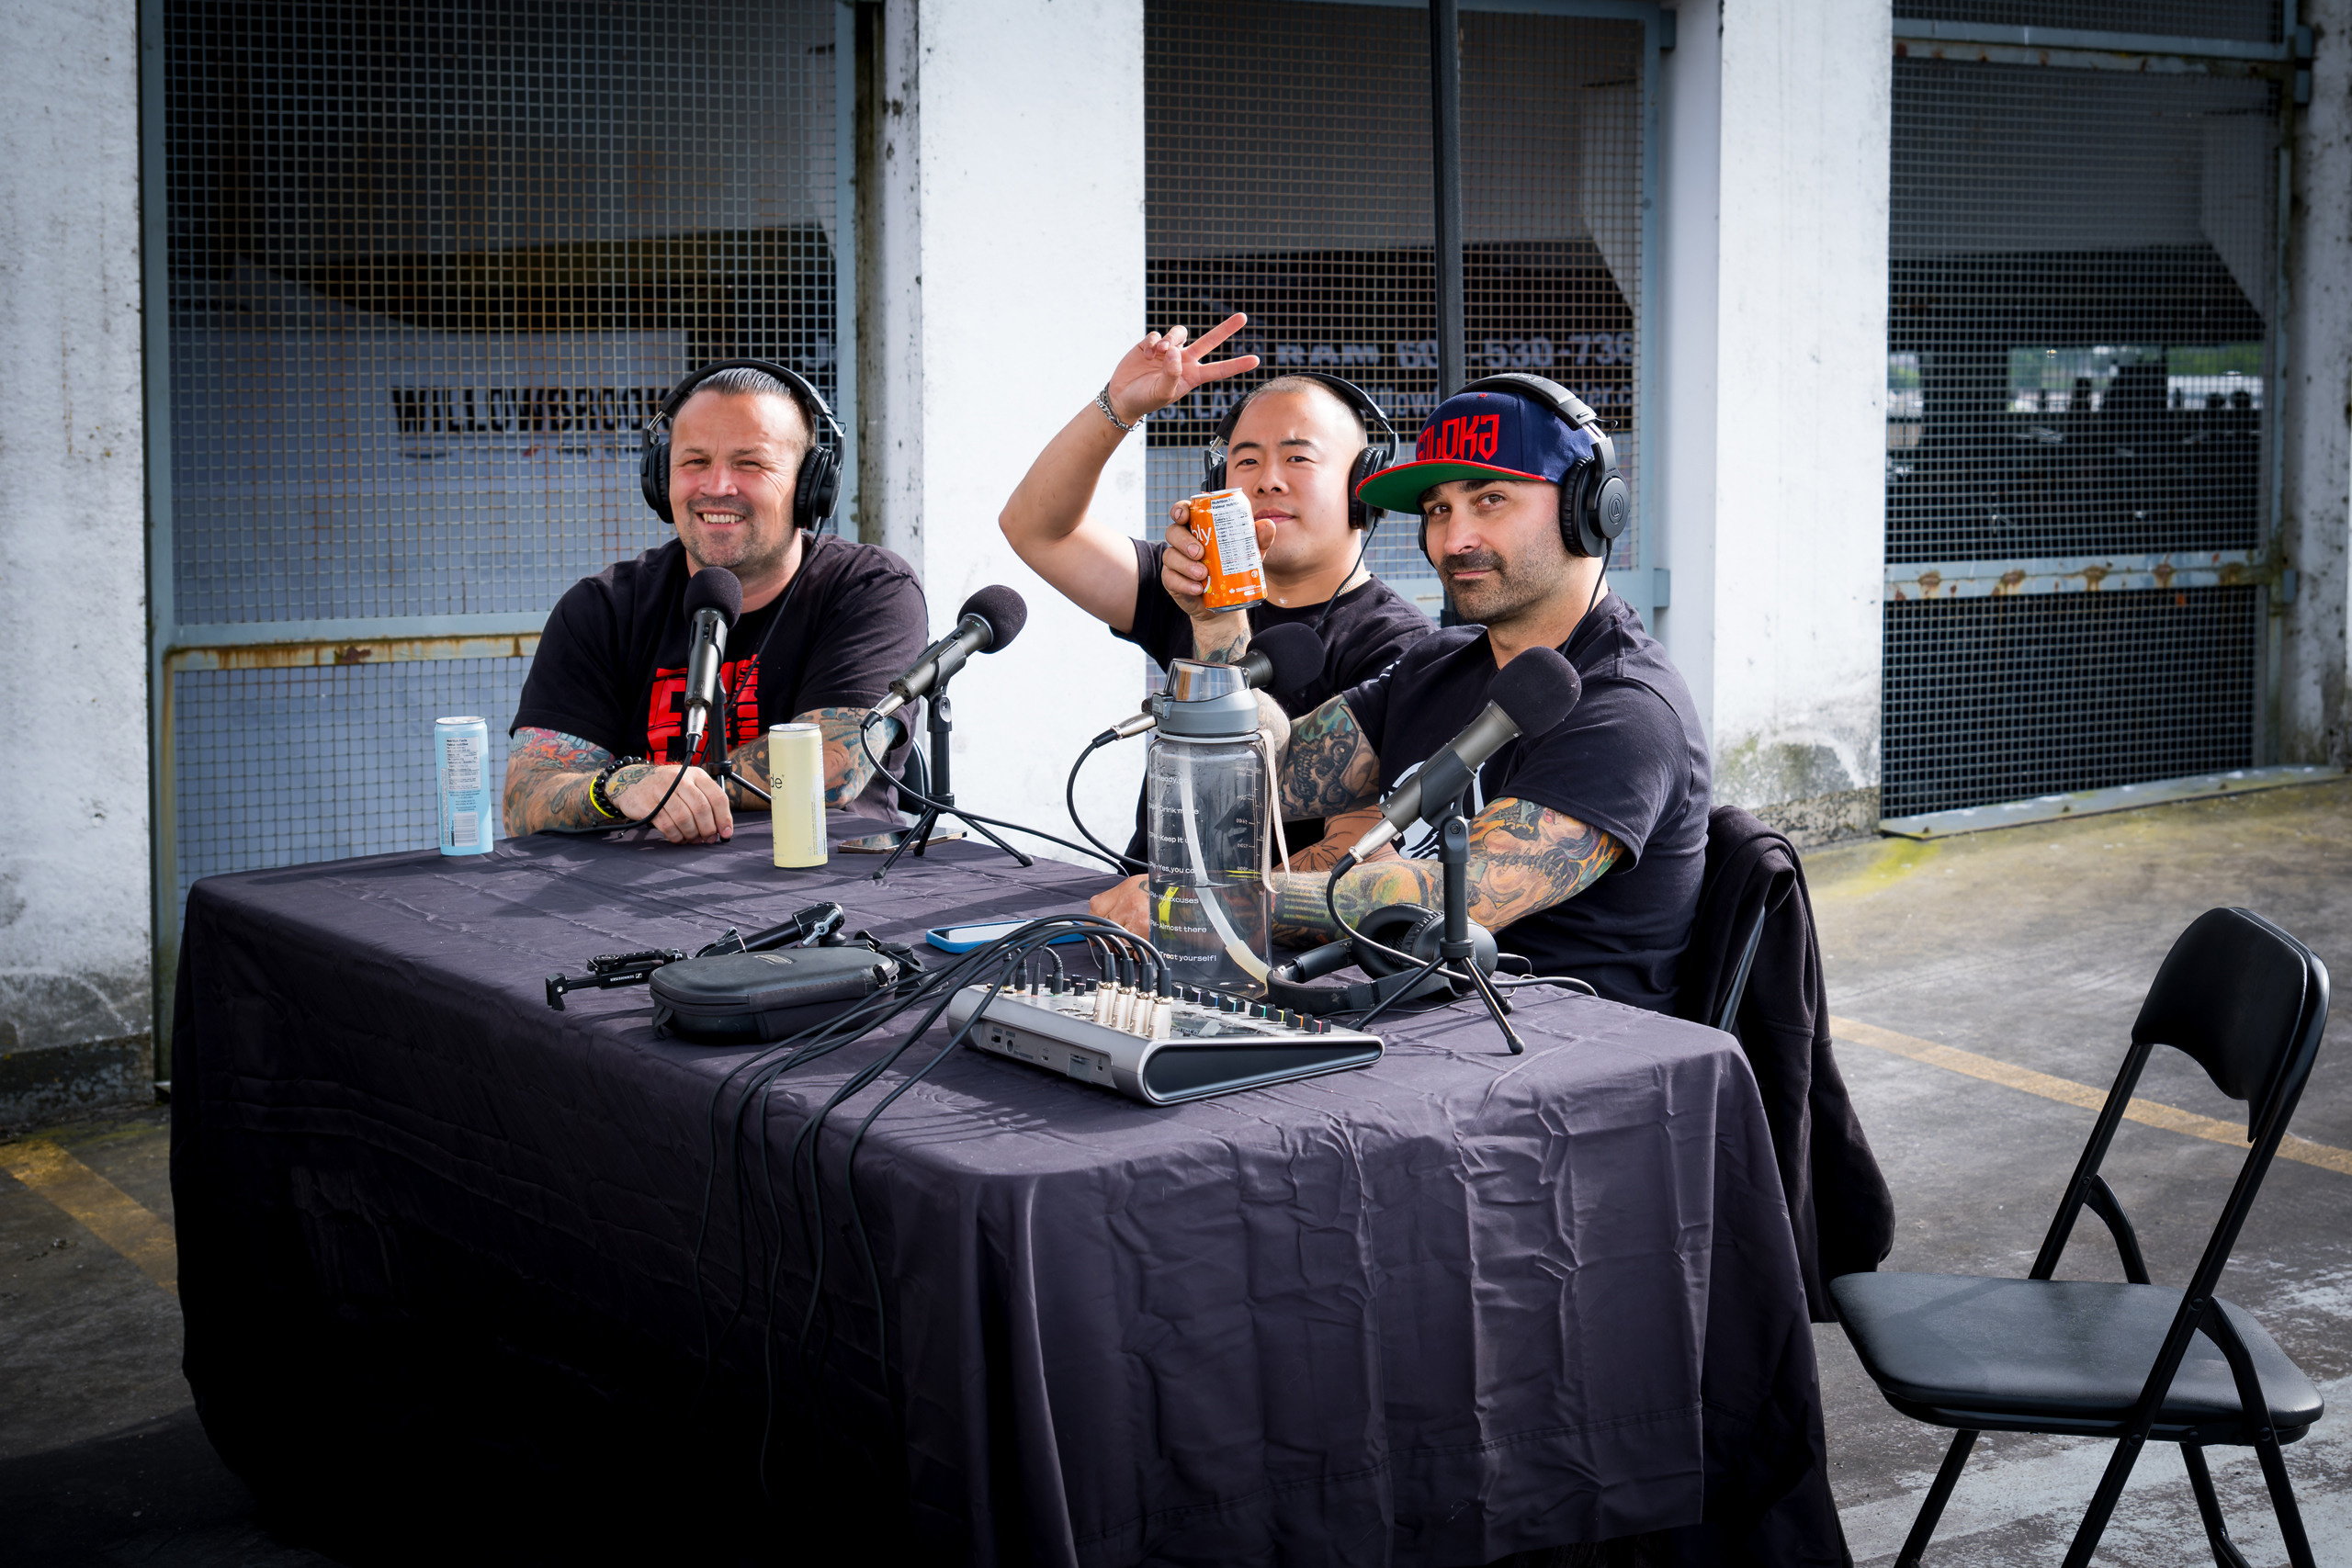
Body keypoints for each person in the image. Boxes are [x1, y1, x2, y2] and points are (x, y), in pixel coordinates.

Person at [1189, 378, 1710, 1012]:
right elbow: (1257, 777)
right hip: (1411, 1007)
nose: (1454, 539)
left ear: (1589, 510)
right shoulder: (1435, 665)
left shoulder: (1629, 710)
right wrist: (1219, 621)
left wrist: (1219, 901)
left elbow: (1448, 899)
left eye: (1490, 499)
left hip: (1558, 1052)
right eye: (1438, 510)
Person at [998, 313, 1433, 880]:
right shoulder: (1189, 585)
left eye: (1298, 458)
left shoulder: (1400, 646)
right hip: (1139, 920)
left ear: (1361, 486)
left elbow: (1354, 857)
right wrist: (1118, 408)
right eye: (1245, 460)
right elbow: (1036, 528)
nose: (1266, 480)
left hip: (1276, 951)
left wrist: (1190, 907)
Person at [504, 364, 929, 844]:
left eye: (750, 463)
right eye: (694, 462)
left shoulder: (870, 590)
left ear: (811, 485)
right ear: (660, 479)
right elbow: (526, 799)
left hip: (827, 894)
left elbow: (829, 766)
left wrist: (669, 790)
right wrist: (619, 787)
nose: (717, 485)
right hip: (631, 904)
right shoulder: (601, 608)